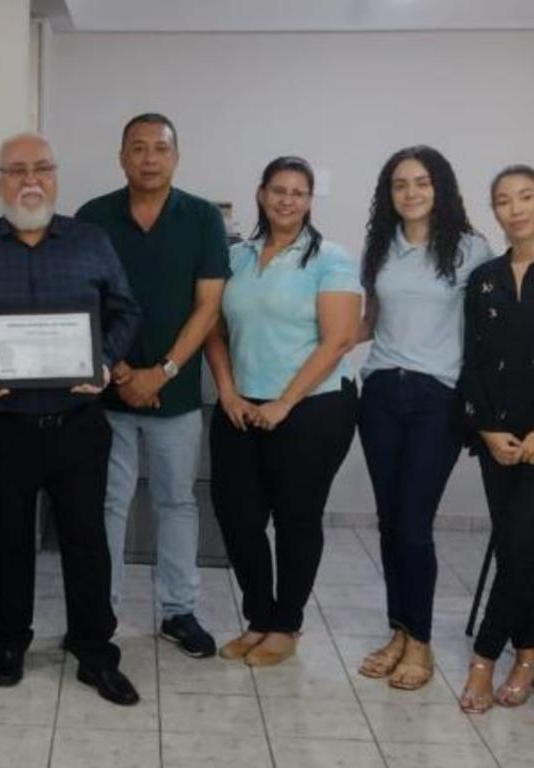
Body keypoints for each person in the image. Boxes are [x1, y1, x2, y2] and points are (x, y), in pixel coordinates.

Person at [0, 132, 142, 705]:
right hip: (4, 426)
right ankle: (9, 642)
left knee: (86, 543)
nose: (30, 180)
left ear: (56, 175)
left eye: (41, 168)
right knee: (7, 541)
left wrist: (102, 359)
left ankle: (95, 652)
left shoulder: (91, 242)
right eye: (16, 170)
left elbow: (126, 310)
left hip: (78, 424)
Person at [76, 113, 228, 658]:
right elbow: (82, 302)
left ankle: (179, 611)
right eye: (137, 148)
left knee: (177, 502)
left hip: (177, 395)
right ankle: (102, 612)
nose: (148, 158)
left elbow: (208, 305)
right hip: (107, 392)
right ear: (121, 157)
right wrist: (122, 373)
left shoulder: (202, 218)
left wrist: (160, 373)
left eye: (159, 149)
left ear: (175, 157)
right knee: (108, 504)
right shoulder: (94, 217)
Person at [205, 156, 361, 667]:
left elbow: (338, 340)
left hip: (313, 409)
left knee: (296, 518)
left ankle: (286, 624)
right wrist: (227, 391)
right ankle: (258, 618)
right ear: (261, 194)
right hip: (240, 406)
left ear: (310, 200)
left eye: (298, 192)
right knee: (238, 516)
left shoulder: (330, 259)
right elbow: (215, 329)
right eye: (278, 190)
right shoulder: (238, 256)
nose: (287, 200)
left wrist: (284, 403)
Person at [355, 147, 493, 690]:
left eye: (421, 182)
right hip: (381, 393)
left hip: (438, 398)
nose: (410, 193)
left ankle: (422, 643)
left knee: (414, 526)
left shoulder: (470, 250)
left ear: (441, 188)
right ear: (388, 195)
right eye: (399, 185)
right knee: (390, 524)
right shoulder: (380, 248)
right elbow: (371, 321)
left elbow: (487, 332)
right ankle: (399, 630)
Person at [457, 165, 534, 713]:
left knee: (520, 546)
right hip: (497, 439)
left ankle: (485, 657)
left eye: (527, 197)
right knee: (519, 548)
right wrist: (486, 429)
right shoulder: (483, 277)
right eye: (504, 200)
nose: (516, 209)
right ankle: (528, 652)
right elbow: (474, 363)